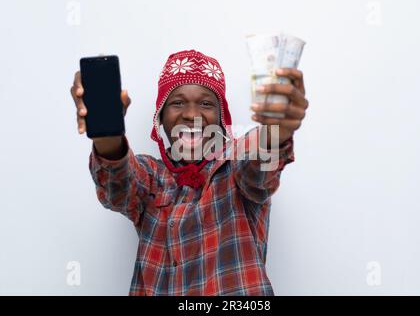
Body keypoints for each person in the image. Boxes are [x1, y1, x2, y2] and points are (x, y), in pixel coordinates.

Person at [70, 49, 308, 295]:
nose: (192, 115)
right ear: (160, 118)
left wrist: (277, 129)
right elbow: (117, 186)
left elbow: (258, 162)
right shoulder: (152, 177)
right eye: (177, 102)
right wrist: (106, 132)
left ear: (220, 119)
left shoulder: (235, 164)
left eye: (206, 103)